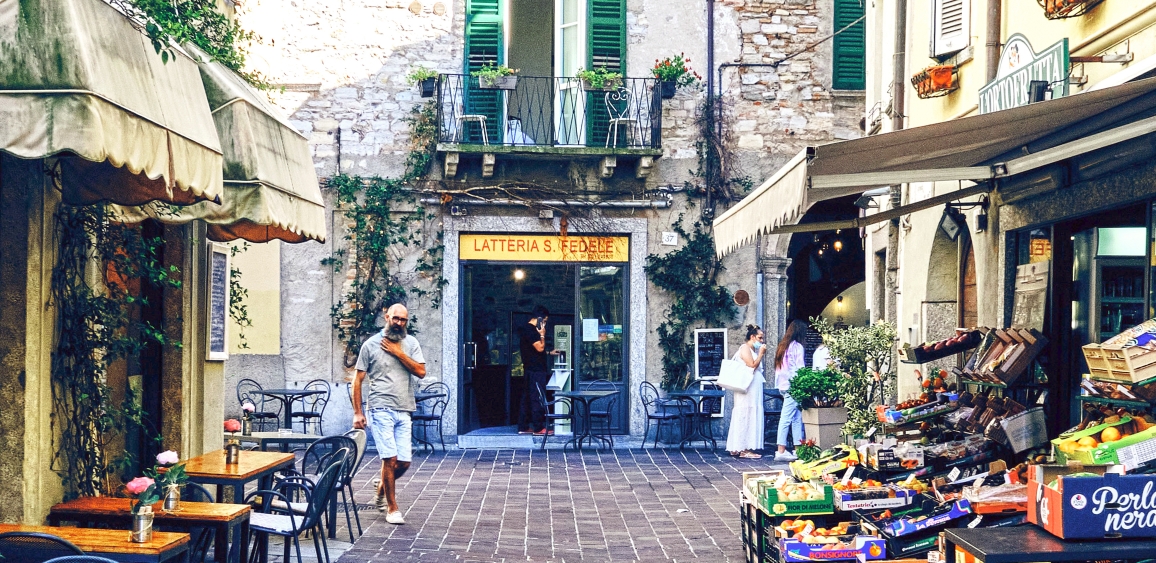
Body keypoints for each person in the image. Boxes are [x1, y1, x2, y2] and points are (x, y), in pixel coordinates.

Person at [352, 303, 426, 525]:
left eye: (403, 320)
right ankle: (392, 508)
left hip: (404, 409)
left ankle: (382, 486)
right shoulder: (370, 345)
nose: (399, 323)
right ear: (387, 317)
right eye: (396, 318)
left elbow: (421, 371)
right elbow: (357, 380)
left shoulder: (411, 343)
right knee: (390, 458)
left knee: (403, 462)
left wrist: (398, 353)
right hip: (380, 408)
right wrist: (358, 412)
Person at [726, 325, 766, 459]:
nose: (761, 341)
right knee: (745, 414)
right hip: (747, 389)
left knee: (748, 414)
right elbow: (751, 365)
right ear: (752, 337)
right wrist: (761, 354)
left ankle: (738, 446)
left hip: (752, 389)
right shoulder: (745, 348)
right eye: (760, 338)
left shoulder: (751, 349)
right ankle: (743, 448)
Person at [516, 305, 557, 435]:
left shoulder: (526, 329)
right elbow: (539, 348)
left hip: (530, 369)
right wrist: (542, 335)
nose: (545, 324)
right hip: (536, 370)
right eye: (544, 321)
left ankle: (523, 426)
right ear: (539, 319)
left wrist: (549, 353)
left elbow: (534, 351)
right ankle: (538, 428)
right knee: (537, 398)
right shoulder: (531, 331)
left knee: (527, 398)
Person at [774, 319, 809, 462]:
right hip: (794, 386)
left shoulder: (783, 346)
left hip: (783, 385)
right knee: (788, 418)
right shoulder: (797, 347)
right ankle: (781, 450)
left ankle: (797, 449)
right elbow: (800, 368)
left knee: (795, 417)